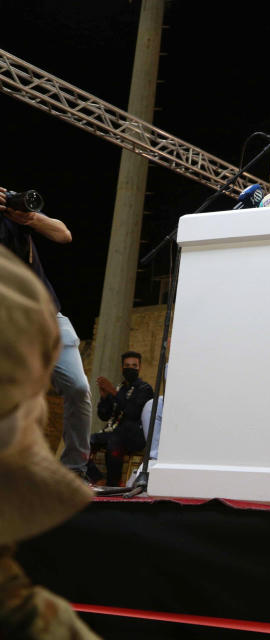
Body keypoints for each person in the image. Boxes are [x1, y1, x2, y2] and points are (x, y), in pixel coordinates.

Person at [0, 244, 98, 639]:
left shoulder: (20, 219)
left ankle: (75, 463)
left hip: (46, 315)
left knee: (77, 388)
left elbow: (62, 232)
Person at [0, 186, 92, 480]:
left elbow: (63, 234)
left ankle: (75, 469)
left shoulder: (11, 211)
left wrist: (29, 218)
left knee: (78, 388)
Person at [89, 351, 153, 486]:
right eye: (127, 365)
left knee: (114, 442)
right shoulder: (120, 388)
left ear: (139, 368)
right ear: (122, 368)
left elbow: (133, 412)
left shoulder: (145, 389)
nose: (130, 368)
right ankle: (97, 478)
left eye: (134, 366)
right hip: (114, 433)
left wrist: (113, 391)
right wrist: (104, 397)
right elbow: (104, 415)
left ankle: (113, 483)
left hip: (134, 436)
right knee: (86, 442)